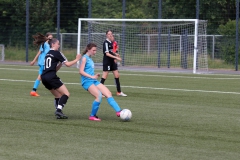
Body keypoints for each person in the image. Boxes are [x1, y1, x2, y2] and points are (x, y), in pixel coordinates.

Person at [79, 43, 122, 121]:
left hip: (93, 80)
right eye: (93, 50)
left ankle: (119, 111)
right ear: (88, 50)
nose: (95, 52)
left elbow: (88, 71)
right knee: (98, 96)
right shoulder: (84, 58)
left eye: (95, 50)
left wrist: (94, 75)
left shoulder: (90, 58)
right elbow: (81, 71)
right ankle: (92, 116)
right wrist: (92, 76)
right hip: (87, 82)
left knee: (108, 93)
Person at [41, 38, 81, 119]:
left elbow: (53, 69)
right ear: (53, 44)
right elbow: (68, 64)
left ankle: (58, 112)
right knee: (66, 94)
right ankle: (58, 111)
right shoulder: (57, 53)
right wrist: (77, 59)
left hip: (44, 77)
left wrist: (60, 64)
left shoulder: (48, 53)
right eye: (58, 44)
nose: (59, 45)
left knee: (58, 95)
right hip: (51, 77)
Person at [100, 30, 127, 97]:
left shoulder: (112, 43)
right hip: (107, 62)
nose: (110, 35)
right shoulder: (105, 43)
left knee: (117, 75)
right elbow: (107, 54)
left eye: (111, 34)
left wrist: (116, 55)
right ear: (106, 35)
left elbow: (112, 52)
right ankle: (100, 91)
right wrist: (116, 57)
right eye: (109, 34)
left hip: (112, 62)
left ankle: (119, 92)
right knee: (104, 76)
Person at [30, 32, 53, 97]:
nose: (51, 39)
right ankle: (33, 91)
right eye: (49, 37)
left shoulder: (50, 45)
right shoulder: (44, 44)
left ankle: (34, 90)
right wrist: (34, 60)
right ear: (46, 37)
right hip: (43, 63)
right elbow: (39, 53)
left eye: (52, 37)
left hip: (46, 63)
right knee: (41, 76)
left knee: (45, 76)